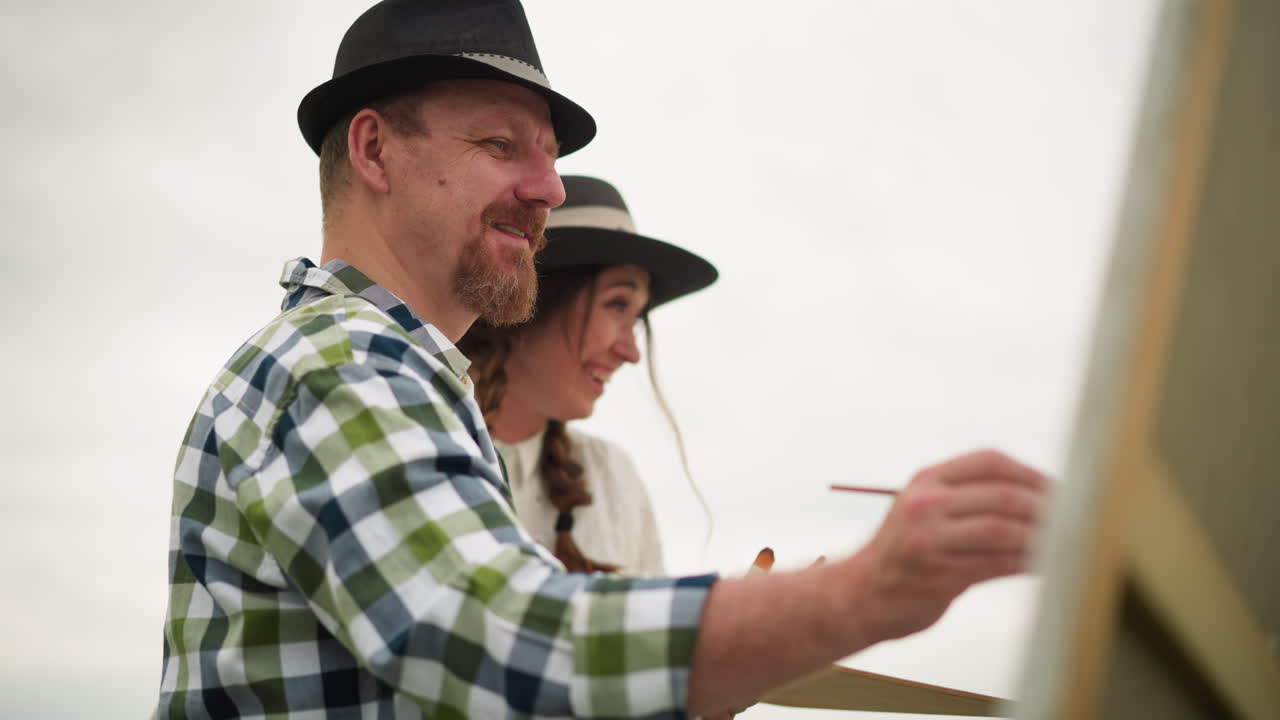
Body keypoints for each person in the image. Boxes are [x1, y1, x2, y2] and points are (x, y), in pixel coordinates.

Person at [156, 2, 1050, 718]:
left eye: (548, 158)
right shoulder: (340, 364)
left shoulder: (388, 373)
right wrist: (866, 591)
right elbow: (501, 644)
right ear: (374, 149)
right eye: (501, 145)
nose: (547, 188)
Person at [458, 174, 718, 575]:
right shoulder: (422, 442)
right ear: (532, 298)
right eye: (617, 305)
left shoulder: (614, 480)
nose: (630, 352)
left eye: (636, 319)